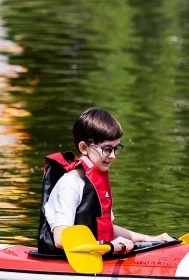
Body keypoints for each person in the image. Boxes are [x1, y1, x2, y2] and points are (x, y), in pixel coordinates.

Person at [37, 108, 174, 255]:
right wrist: (107, 245)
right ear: (84, 147)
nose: (113, 156)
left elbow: (107, 228)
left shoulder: (95, 182)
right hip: (68, 261)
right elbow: (61, 239)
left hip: (96, 253)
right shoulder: (70, 185)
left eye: (116, 148)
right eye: (107, 149)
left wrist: (151, 239)